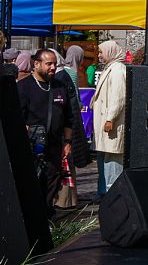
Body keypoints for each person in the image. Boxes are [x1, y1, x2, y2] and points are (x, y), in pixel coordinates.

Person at [17, 48, 74, 214]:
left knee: (52, 183)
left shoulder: (59, 86)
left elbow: (68, 117)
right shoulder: (23, 87)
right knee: (33, 186)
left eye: (55, 64)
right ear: (36, 64)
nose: (53, 67)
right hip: (33, 149)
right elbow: (18, 118)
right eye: (48, 63)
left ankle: (47, 216)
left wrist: (68, 142)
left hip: (55, 147)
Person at [92, 40, 128, 198]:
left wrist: (110, 119)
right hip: (105, 124)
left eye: (101, 52)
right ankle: (103, 192)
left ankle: (112, 195)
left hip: (110, 124)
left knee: (112, 160)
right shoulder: (111, 67)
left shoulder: (118, 70)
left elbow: (118, 97)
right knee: (104, 158)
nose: (99, 55)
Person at [53, 46, 85, 210]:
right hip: (71, 123)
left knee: (64, 163)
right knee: (67, 163)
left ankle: (64, 200)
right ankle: (69, 199)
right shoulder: (68, 73)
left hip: (65, 126)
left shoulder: (60, 76)